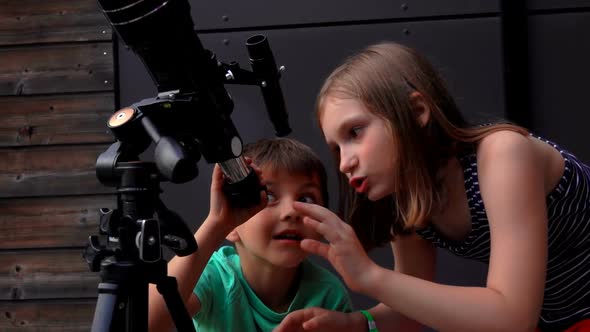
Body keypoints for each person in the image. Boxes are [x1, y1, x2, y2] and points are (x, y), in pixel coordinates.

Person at [273, 42, 590, 332]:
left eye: (355, 132)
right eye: (337, 148)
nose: (344, 163)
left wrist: (370, 277)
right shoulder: (405, 198)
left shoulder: (502, 153)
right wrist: (354, 324)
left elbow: (511, 317)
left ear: (417, 112)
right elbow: (412, 310)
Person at [148, 137, 353, 332]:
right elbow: (144, 322)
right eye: (269, 196)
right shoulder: (215, 277)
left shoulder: (329, 295)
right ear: (233, 225)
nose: (291, 211)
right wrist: (217, 224)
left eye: (307, 199)